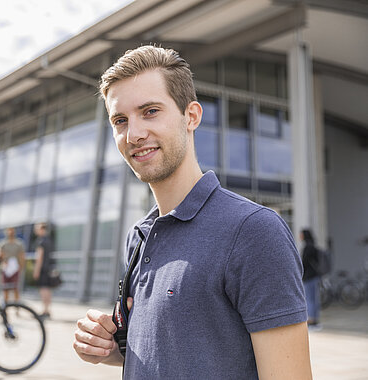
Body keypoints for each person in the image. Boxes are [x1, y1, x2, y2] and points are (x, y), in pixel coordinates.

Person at [73, 45, 312, 379]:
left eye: (151, 111)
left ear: (192, 116)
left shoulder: (254, 231)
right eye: (120, 120)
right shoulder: (139, 236)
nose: (135, 134)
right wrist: (116, 352)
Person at [0, 227, 26, 303]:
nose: (10, 233)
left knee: (15, 288)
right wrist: (3, 263)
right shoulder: (2, 243)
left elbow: (22, 256)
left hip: (15, 268)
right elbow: (0, 255)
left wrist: (21, 267)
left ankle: (17, 306)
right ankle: (5, 306)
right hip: (5, 268)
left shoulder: (19, 244)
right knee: (5, 288)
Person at [301, 229, 321, 328]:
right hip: (315, 275)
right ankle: (315, 319)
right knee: (314, 298)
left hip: (309, 276)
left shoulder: (307, 247)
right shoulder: (313, 245)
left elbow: (304, 262)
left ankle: (311, 319)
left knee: (309, 298)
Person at [33, 223, 53, 318]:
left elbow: (39, 258)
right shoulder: (48, 240)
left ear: (42, 229)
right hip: (48, 268)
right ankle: (47, 310)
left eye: (37, 228)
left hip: (42, 269)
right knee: (47, 290)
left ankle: (45, 311)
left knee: (43, 289)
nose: (35, 230)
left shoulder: (41, 241)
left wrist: (36, 271)